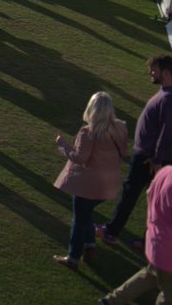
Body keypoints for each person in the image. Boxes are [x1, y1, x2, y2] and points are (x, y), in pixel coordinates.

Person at [100, 56, 172, 246]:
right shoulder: (165, 93)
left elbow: (167, 132)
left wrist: (157, 159)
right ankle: (148, 241)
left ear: (165, 72)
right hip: (152, 157)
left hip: (149, 159)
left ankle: (112, 231)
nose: (150, 72)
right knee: (154, 201)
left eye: (154, 70)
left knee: (133, 194)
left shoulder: (169, 98)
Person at [51, 91, 128, 269]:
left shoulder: (88, 132)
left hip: (87, 184)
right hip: (107, 184)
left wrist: (63, 145)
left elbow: (80, 158)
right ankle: (90, 247)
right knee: (85, 214)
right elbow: (123, 151)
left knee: (79, 218)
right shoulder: (120, 128)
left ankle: (73, 257)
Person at [99, 165, 172, 304]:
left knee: (150, 275)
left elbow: (150, 193)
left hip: (156, 243)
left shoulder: (166, 172)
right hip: (169, 252)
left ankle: (111, 301)